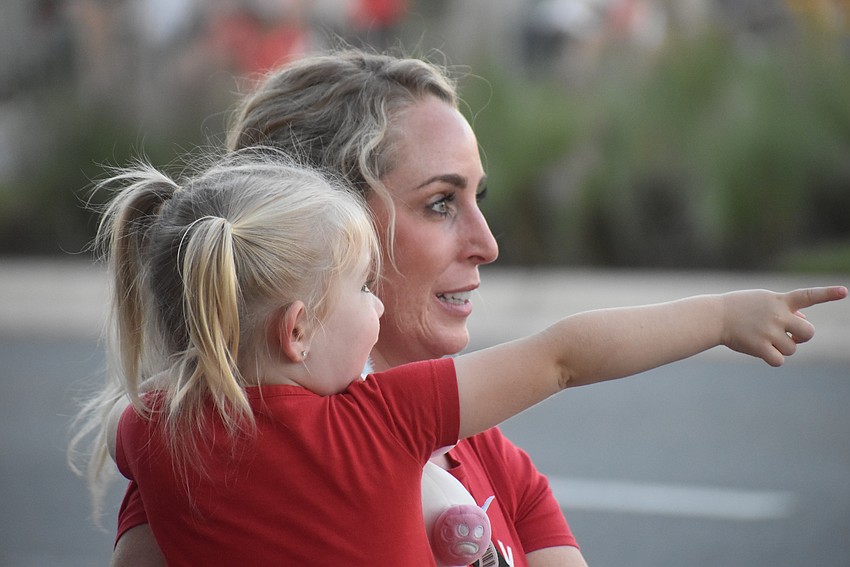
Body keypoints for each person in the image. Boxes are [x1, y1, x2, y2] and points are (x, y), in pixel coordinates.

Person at [89, 149, 844, 566]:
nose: (379, 304)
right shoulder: (381, 418)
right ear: (298, 332)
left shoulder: (149, 430)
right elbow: (563, 357)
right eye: (362, 289)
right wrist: (719, 315)